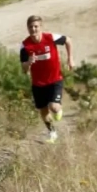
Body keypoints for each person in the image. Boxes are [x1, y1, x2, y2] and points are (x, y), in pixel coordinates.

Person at [19, 15, 74, 143]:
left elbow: (68, 40)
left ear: (41, 27)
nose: (33, 29)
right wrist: (29, 63)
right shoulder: (25, 46)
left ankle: (57, 109)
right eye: (31, 27)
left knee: (53, 107)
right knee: (43, 111)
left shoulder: (50, 38)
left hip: (54, 80)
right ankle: (52, 133)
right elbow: (24, 69)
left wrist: (70, 58)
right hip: (38, 83)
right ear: (27, 28)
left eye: (36, 26)